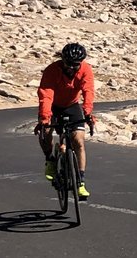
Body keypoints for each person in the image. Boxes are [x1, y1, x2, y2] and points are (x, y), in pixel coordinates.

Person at [37, 42, 96, 198]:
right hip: (53, 105)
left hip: (72, 105)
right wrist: (44, 118)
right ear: (62, 59)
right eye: (67, 64)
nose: (71, 68)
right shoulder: (52, 71)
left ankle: (80, 182)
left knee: (78, 141)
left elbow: (88, 91)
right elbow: (46, 95)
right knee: (46, 130)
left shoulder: (85, 69)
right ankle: (50, 159)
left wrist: (87, 112)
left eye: (75, 65)